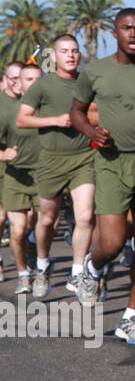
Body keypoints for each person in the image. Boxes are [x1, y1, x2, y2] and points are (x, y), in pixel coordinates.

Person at [69, 9, 135, 345]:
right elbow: (77, 111)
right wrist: (90, 130)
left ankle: (130, 318)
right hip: (112, 163)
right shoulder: (96, 71)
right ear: (115, 33)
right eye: (127, 28)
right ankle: (93, 267)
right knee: (112, 244)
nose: (133, 34)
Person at [17, 35, 95, 299]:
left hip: (84, 157)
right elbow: (23, 120)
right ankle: (42, 265)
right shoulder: (43, 85)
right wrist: (56, 120)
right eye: (65, 51)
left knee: (85, 216)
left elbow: (96, 112)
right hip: (51, 160)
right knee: (48, 219)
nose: (71, 55)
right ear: (55, 55)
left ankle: (77, 270)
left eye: (75, 50)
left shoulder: (87, 82)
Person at [0, 63, 42, 291]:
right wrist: (3, 153)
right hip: (13, 175)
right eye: (13, 79)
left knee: (37, 225)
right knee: (17, 229)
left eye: (22, 79)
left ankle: (35, 248)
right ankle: (23, 273)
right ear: (6, 79)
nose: (18, 84)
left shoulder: (44, 104)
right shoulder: (4, 108)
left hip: (43, 175)